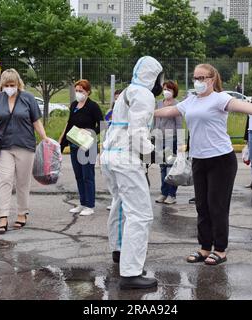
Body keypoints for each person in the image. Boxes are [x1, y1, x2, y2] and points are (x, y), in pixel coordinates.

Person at [155, 64, 252, 266]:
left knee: (217, 206)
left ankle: (220, 250)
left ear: (212, 79)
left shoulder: (220, 98)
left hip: (221, 160)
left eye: (202, 77)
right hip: (199, 159)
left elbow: (243, 106)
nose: (197, 81)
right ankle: (205, 248)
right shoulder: (191, 101)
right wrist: (146, 112)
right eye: (195, 77)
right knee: (202, 206)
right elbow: (170, 110)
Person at [101, 56, 164, 289]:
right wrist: (155, 154)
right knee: (140, 214)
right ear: (153, 76)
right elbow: (137, 133)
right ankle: (131, 273)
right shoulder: (144, 95)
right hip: (126, 158)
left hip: (110, 155)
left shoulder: (128, 91)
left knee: (120, 204)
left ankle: (119, 251)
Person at [0, 69, 49, 234]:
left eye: (12, 85)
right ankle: (2, 216)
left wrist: (45, 138)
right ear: (2, 85)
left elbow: (36, 121)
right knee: (5, 179)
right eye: (6, 85)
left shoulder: (28, 98)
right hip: (5, 146)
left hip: (25, 146)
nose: (9, 88)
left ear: (18, 84)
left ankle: (22, 212)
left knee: (22, 182)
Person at [59, 79, 103, 216]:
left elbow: (102, 124)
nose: (78, 93)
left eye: (81, 91)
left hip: (88, 145)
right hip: (74, 144)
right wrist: (61, 139)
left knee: (87, 175)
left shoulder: (93, 106)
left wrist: (90, 132)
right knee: (78, 175)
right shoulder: (73, 105)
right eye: (77, 90)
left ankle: (90, 205)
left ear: (88, 92)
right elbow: (69, 123)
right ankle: (82, 203)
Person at [154, 80, 182, 205]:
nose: (166, 92)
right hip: (159, 138)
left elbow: (179, 124)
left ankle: (172, 194)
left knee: (171, 168)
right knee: (162, 167)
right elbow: (154, 120)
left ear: (174, 91)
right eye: (165, 89)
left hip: (172, 138)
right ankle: (163, 193)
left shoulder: (177, 105)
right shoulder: (158, 103)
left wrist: (181, 141)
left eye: (169, 90)